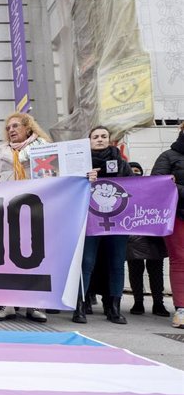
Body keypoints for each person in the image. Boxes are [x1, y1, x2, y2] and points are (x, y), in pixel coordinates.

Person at [0, 112, 51, 322]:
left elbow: (55, 178)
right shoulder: (2, 153)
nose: (11, 130)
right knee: (9, 259)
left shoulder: (43, 150)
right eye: (8, 128)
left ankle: (34, 306)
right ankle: (7, 305)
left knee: (34, 259)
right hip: (8, 212)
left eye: (15, 126)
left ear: (28, 128)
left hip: (34, 211)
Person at [72, 126, 133, 325]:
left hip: (117, 222)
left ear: (110, 139)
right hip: (91, 221)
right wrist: (84, 179)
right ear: (89, 141)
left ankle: (114, 308)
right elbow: (70, 187)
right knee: (87, 263)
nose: (99, 139)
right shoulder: (81, 163)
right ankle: (79, 306)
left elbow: (134, 188)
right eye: (95, 137)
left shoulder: (122, 164)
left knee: (116, 263)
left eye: (103, 136)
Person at [125, 162, 169, 317]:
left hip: (153, 235)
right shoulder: (125, 189)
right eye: (132, 170)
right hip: (133, 236)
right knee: (135, 270)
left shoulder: (152, 189)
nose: (135, 173)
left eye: (138, 171)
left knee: (156, 271)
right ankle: (138, 302)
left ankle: (158, 303)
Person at [151, 121, 184, 328]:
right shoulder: (168, 156)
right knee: (180, 260)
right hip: (177, 215)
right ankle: (181, 308)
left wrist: (177, 186)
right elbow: (158, 185)